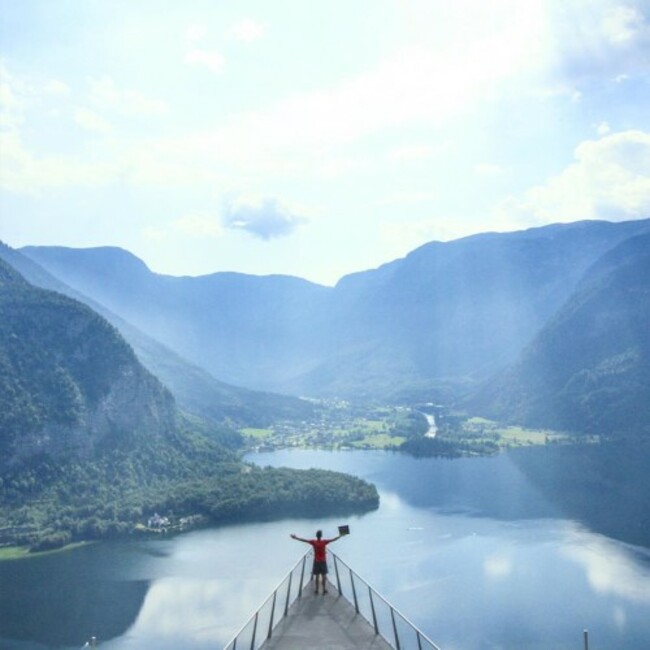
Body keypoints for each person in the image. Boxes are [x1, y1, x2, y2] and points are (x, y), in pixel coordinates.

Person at [290, 529, 343, 594]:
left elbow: (304, 540)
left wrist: (296, 538)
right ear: (321, 536)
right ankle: (324, 590)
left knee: (317, 576)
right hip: (323, 561)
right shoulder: (324, 542)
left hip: (316, 561)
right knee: (323, 575)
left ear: (316, 536)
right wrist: (339, 536)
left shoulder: (314, 542)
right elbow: (333, 540)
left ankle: (317, 590)